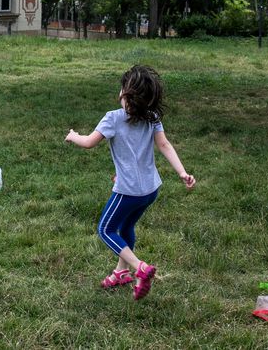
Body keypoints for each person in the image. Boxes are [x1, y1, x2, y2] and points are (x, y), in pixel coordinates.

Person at [64, 65, 196, 300]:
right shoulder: (152, 117)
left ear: (125, 94)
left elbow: (88, 142)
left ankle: (140, 268)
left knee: (105, 229)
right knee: (126, 227)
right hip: (150, 190)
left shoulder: (113, 118)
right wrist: (182, 172)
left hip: (128, 191)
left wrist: (74, 136)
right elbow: (164, 145)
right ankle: (121, 272)